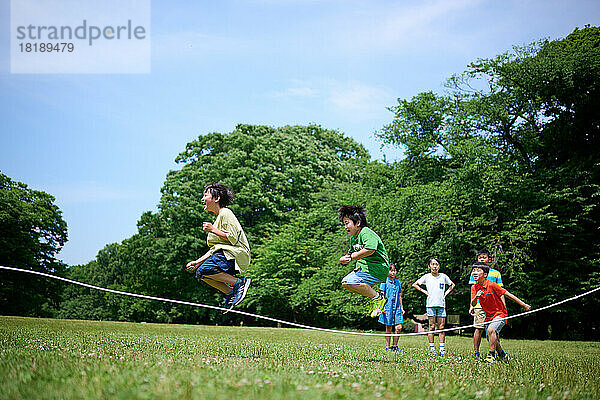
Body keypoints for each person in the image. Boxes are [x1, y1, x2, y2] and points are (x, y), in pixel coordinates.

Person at [185, 184, 251, 310]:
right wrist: (197, 262)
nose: (202, 199)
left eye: (205, 195)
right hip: (227, 254)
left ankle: (240, 283)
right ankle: (230, 293)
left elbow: (233, 238)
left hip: (237, 254)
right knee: (201, 273)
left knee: (206, 269)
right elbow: (215, 249)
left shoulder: (226, 213)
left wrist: (213, 230)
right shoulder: (219, 218)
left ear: (216, 198)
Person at [470, 262, 531, 363]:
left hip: (500, 314)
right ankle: (503, 355)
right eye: (473, 270)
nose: (475, 272)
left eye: (478, 270)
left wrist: (523, 305)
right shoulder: (474, 288)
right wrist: (476, 296)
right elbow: (473, 302)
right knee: (492, 338)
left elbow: (508, 294)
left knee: (490, 330)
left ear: (485, 274)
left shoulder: (491, 285)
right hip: (488, 316)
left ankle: (491, 356)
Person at [338, 205, 390, 318]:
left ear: (357, 223)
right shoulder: (354, 238)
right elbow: (350, 253)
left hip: (377, 269)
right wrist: (344, 259)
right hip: (363, 269)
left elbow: (370, 249)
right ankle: (374, 298)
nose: (345, 227)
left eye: (347, 223)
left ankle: (378, 299)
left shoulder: (365, 232)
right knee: (346, 283)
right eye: (344, 224)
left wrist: (352, 257)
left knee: (350, 282)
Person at [412, 257, 455, 355]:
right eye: (433, 264)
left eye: (436, 264)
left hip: (441, 305)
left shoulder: (443, 276)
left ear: (439, 266)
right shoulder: (426, 277)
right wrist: (424, 291)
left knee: (441, 327)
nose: (435, 266)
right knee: (431, 326)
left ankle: (442, 349)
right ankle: (432, 349)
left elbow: (452, 285)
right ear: (429, 266)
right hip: (431, 305)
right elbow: (415, 284)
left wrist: (445, 293)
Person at [468, 249, 503, 360]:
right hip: (479, 305)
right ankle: (476, 352)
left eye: (484, 257)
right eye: (480, 257)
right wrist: (471, 305)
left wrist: (503, 305)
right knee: (479, 328)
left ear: (489, 259)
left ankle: (496, 352)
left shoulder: (496, 273)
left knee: (493, 331)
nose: (482, 259)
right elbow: (473, 290)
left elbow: (501, 291)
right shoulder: (474, 273)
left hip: (494, 307)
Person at [378, 263, 404, 351]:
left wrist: (402, 307)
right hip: (387, 307)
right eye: (391, 270)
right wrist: (382, 307)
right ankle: (387, 347)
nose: (393, 273)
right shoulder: (384, 281)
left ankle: (395, 346)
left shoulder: (398, 282)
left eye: (394, 271)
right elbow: (381, 295)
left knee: (399, 327)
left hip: (397, 308)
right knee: (388, 328)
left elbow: (400, 296)